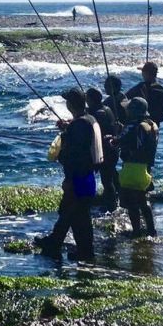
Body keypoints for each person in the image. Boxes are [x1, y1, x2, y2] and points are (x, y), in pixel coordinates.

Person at [35, 89, 102, 261]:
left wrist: (69, 178)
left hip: (78, 177)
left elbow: (75, 155)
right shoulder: (90, 119)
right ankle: (60, 244)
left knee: (74, 213)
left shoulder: (79, 125)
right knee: (74, 213)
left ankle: (82, 251)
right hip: (88, 176)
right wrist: (68, 128)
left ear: (71, 104)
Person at [118, 97, 159, 237]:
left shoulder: (133, 126)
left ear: (134, 111)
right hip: (146, 168)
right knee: (142, 200)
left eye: (129, 109)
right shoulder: (151, 124)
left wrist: (116, 134)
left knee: (131, 202)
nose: (127, 111)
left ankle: (136, 231)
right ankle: (151, 230)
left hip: (132, 167)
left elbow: (120, 142)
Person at [86, 88, 119, 212]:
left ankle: (111, 205)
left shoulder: (99, 113)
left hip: (106, 150)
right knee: (112, 174)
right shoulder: (106, 108)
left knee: (107, 179)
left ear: (91, 99)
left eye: (87, 98)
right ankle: (119, 196)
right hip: (112, 149)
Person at [126, 61, 163, 128]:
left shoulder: (141, 87)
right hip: (155, 126)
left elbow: (126, 97)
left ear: (145, 73)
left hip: (141, 125)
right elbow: (162, 115)